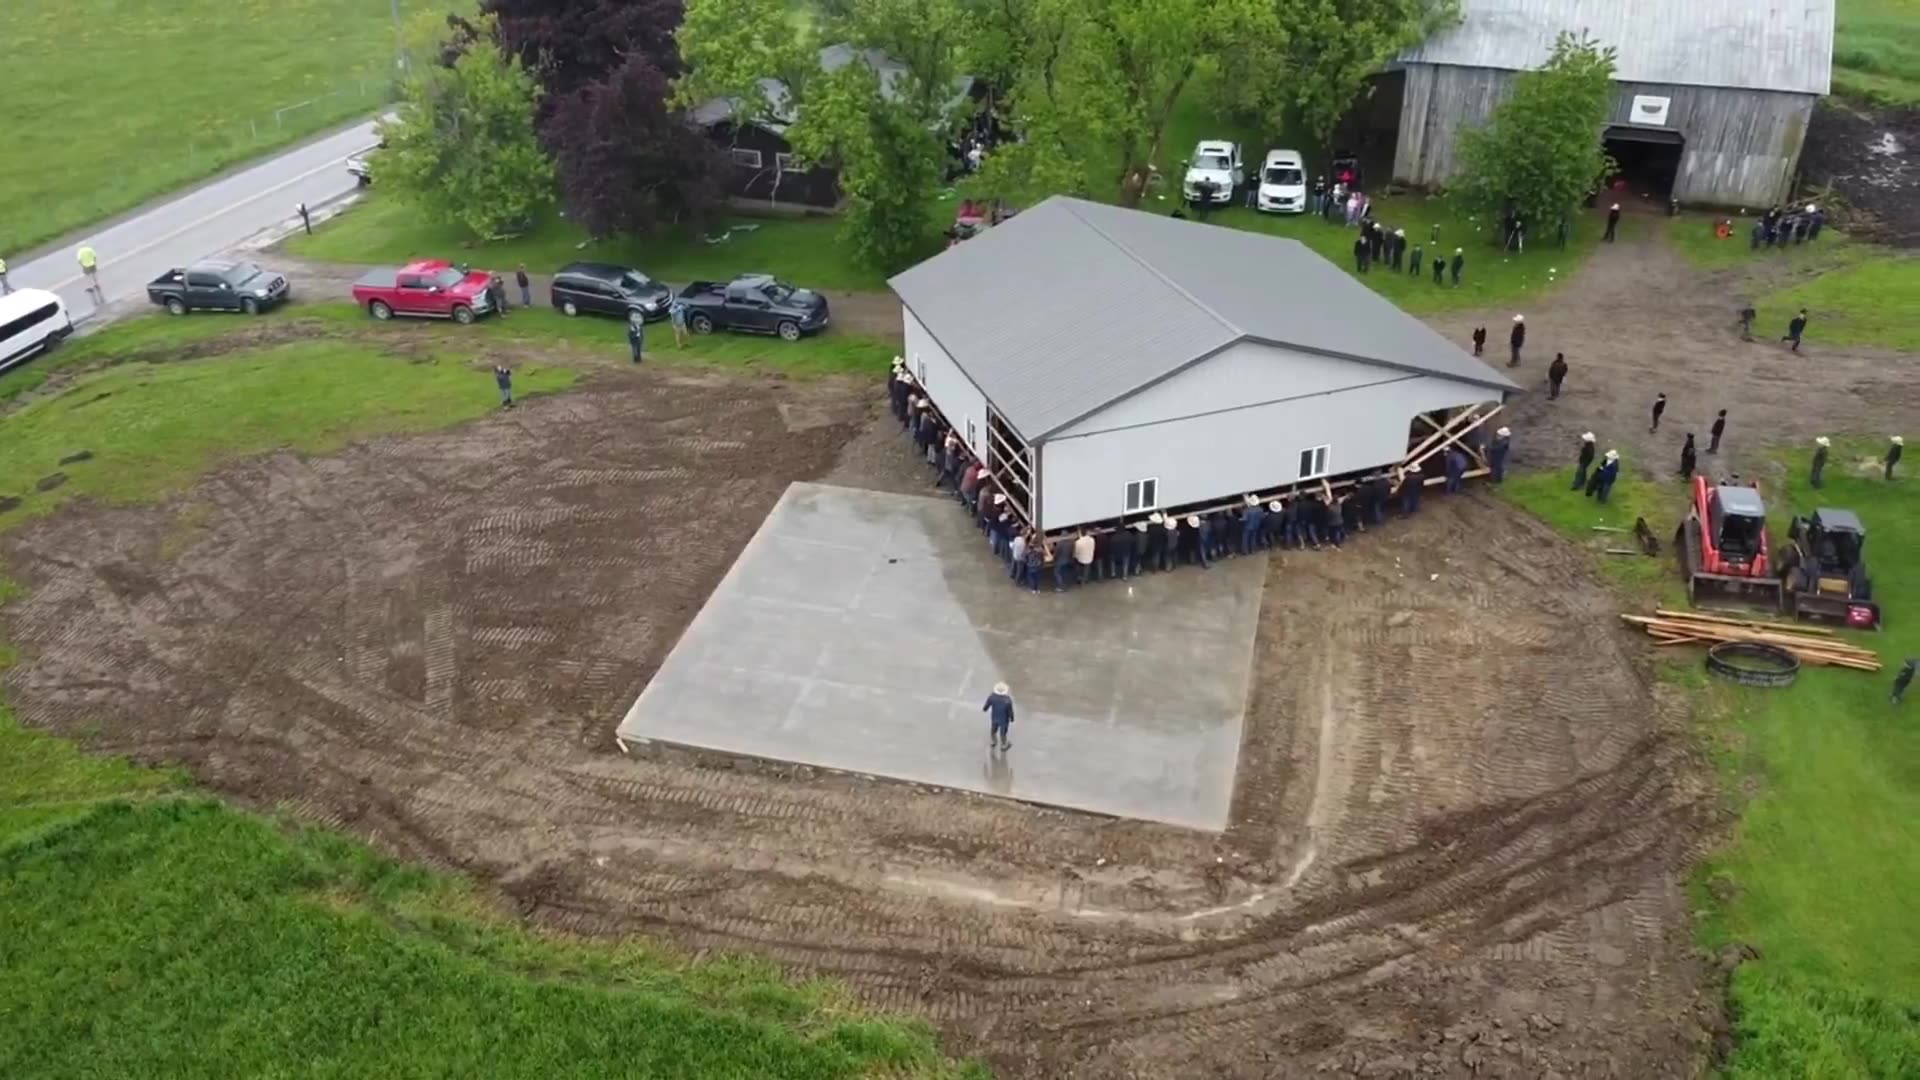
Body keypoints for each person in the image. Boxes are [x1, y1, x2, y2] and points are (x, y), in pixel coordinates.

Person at [983, 682, 1015, 750]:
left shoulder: (992, 697)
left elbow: (986, 706)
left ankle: (993, 741)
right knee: (1003, 732)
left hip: (994, 717)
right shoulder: (1007, 700)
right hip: (1004, 720)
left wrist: (985, 709)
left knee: (993, 730)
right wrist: (1012, 719)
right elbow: (1010, 711)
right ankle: (1003, 745)